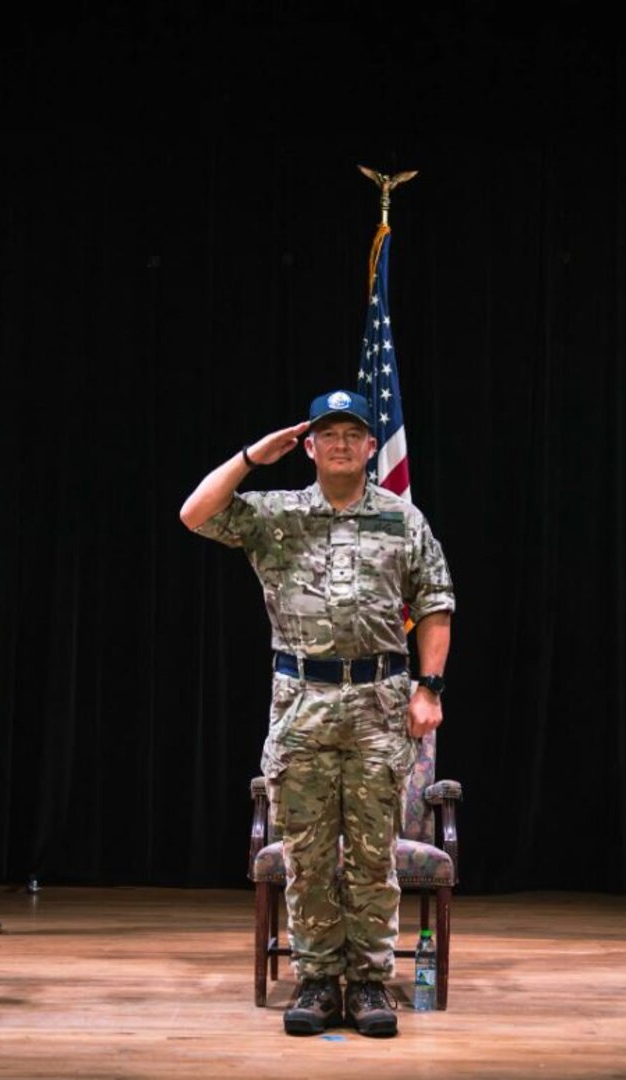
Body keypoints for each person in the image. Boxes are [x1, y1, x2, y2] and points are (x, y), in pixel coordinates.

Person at [181, 390, 455, 1038]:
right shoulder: (275, 515)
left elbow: (435, 605)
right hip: (300, 701)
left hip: (377, 702)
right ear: (307, 446)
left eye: (351, 434)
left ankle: (365, 983)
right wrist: (251, 457)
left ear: (368, 447)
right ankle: (313, 978)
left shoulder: (401, 518)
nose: (339, 444)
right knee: (304, 852)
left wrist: (429, 689)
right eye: (326, 433)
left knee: (369, 852)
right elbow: (194, 514)